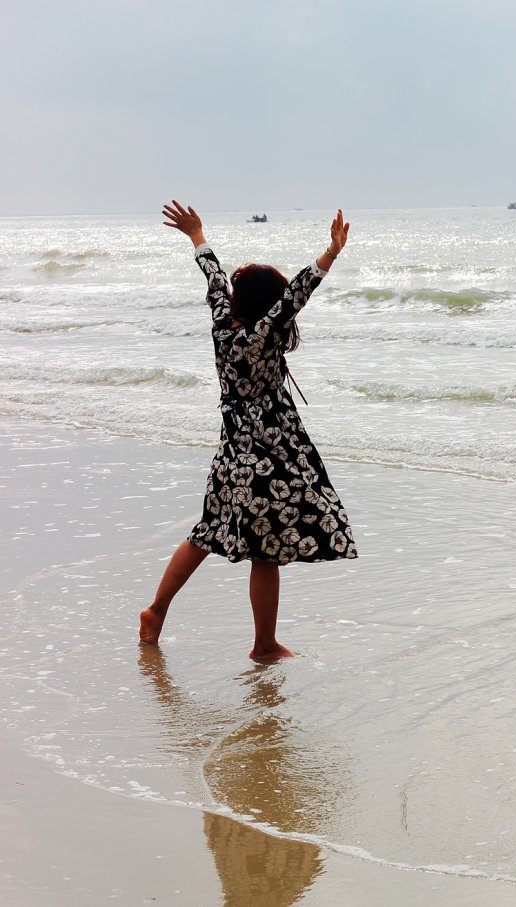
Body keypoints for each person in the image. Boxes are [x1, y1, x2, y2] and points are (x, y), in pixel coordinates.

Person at [139, 202, 358, 659]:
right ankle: (263, 644)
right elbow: (298, 293)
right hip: (268, 454)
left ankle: (157, 610)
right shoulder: (262, 334)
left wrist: (197, 235)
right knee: (265, 552)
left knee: (207, 531)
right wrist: (330, 255)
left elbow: (215, 277)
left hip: (232, 450)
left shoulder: (223, 324)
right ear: (268, 305)